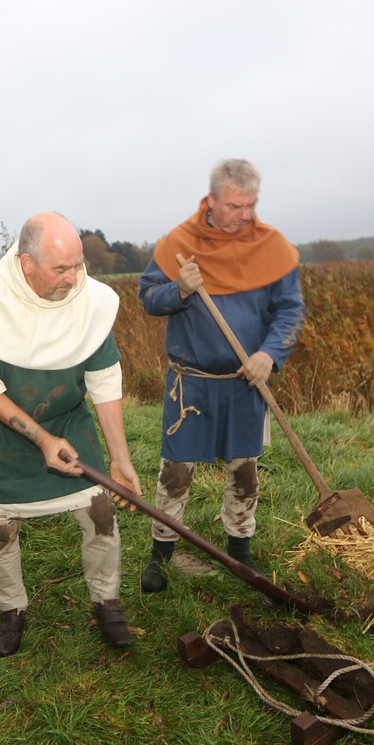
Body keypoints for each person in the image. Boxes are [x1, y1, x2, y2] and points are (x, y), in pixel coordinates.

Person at [0, 211, 140, 657]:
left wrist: (120, 459)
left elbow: (104, 381)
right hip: (4, 433)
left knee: (101, 513)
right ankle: (11, 609)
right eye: (61, 269)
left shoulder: (89, 301)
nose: (74, 278)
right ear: (26, 264)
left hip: (69, 423)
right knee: (0, 529)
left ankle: (106, 601)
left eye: (78, 265)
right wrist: (42, 440)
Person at [136, 159, 304, 593]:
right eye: (235, 205)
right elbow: (148, 298)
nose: (245, 215)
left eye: (251, 205)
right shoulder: (179, 244)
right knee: (176, 471)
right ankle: (161, 553)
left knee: (244, 471)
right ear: (211, 200)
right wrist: (180, 289)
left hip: (245, 382)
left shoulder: (271, 247)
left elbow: (289, 311)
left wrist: (269, 354)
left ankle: (240, 548)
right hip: (191, 383)